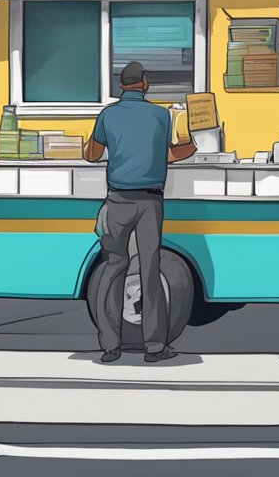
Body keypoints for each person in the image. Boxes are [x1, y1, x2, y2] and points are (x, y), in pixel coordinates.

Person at [84, 61, 196, 364]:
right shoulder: (161, 115)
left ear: (122, 86)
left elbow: (91, 155)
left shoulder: (108, 115)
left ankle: (110, 345)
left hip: (118, 200)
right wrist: (191, 144)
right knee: (150, 269)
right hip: (150, 203)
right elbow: (176, 153)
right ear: (144, 83)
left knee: (113, 267)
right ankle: (155, 347)